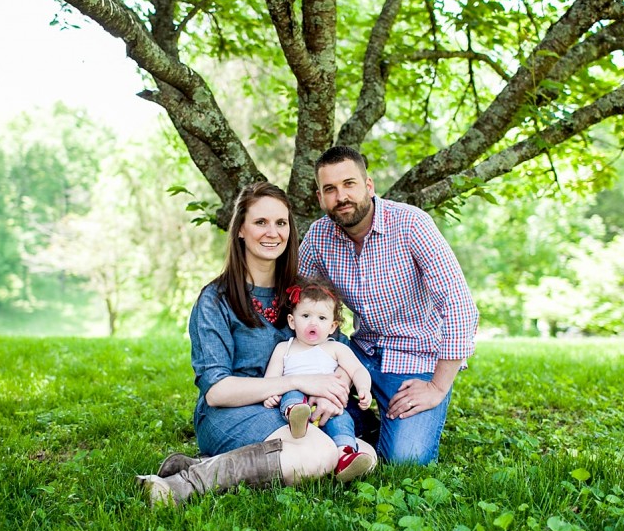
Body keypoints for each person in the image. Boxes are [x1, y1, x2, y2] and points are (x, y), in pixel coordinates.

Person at [136, 181, 376, 505]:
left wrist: (334, 391)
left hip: (292, 409)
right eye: (260, 222)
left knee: (364, 453)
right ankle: (184, 485)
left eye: (280, 223)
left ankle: (203, 465)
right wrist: (295, 381)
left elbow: (340, 347)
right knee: (320, 454)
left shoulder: (303, 293)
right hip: (230, 412)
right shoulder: (215, 300)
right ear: (240, 230)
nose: (272, 232)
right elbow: (217, 390)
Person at [298, 146, 479, 465]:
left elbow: (459, 306)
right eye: (331, 189)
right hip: (358, 353)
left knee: (405, 460)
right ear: (320, 197)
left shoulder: (411, 224)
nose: (341, 196)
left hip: (414, 357)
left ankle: (368, 429)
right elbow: (296, 298)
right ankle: (363, 425)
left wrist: (437, 386)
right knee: (303, 405)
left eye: (349, 184)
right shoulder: (318, 237)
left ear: (369, 186)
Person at [262, 276, 375, 483]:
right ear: (292, 321)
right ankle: (296, 414)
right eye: (306, 315)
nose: (313, 322)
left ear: (332, 326)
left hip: (329, 406)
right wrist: (271, 396)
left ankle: (344, 456)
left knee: (342, 420)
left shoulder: (335, 348)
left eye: (322, 318)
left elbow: (358, 370)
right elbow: (271, 380)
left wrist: (364, 388)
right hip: (297, 396)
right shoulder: (284, 348)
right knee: (293, 392)